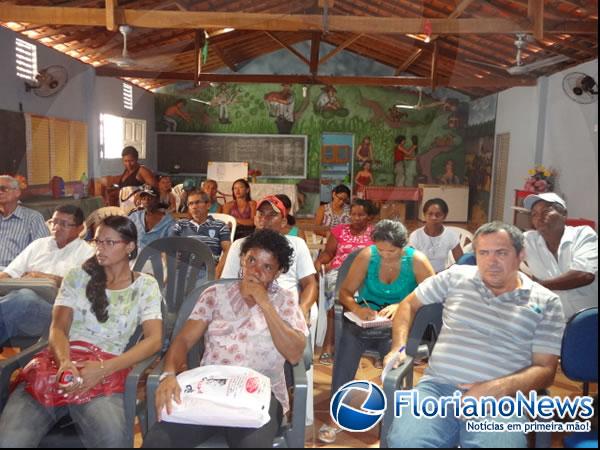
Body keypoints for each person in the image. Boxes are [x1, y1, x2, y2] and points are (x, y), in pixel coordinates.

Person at [384, 221, 565, 448]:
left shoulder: (546, 302)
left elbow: (546, 370)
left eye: (501, 253)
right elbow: (408, 304)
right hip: (438, 389)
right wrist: (398, 346)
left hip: (502, 400)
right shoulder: (456, 276)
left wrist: (498, 388)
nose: (492, 261)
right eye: (483, 253)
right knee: (405, 443)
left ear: (521, 255)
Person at [0, 216, 163, 448]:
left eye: (109, 242)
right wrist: (64, 361)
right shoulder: (77, 277)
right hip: (57, 367)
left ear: (130, 246)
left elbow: (155, 340)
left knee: (113, 441)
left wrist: (103, 369)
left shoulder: (144, 285)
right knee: (8, 441)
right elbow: (58, 327)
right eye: (97, 241)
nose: (100, 248)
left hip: (104, 372)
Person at [142, 229, 308, 448]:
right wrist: (170, 373)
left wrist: (265, 303)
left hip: (258, 394)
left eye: (267, 267)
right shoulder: (214, 294)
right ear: (242, 259)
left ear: (278, 273)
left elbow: (295, 353)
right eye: (251, 260)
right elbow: (183, 340)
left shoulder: (285, 301)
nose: (256, 271)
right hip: (209, 390)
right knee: (159, 441)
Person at [318, 220, 435, 444]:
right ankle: (337, 414)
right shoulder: (366, 256)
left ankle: (393, 415)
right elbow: (345, 292)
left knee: (393, 360)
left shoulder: (417, 261)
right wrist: (357, 309)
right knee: (347, 346)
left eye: (391, 251)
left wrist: (403, 305)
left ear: (404, 247)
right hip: (367, 318)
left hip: (399, 324)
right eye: (380, 250)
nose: (385, 256)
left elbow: (433, 294)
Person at [0, 205, 94, 345]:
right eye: (54, 222)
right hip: (20, 309)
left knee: (25, 297)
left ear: (80, 229)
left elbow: (85, 288)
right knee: (20, 301)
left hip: (59, 314)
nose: (56, 227)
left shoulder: (87, 253)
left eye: (64, 224)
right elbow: (8, 273)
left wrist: (44, 278)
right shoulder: (38, 245)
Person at [221, 195, 317, 322]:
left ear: (283, 222)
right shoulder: (239, 245)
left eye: (272, 215)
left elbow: (310, 284)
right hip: (245, 310)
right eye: (260, 214)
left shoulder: (297, 244)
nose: (264, 219)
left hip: (285, 312)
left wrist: (302, 310)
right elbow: (226, 285)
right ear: (254, 219)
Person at [313, 199, 378, 366]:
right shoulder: (339, 231)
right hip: (339, 272)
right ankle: (329, 345)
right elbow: (329, 253)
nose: (356, 218)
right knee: (335, 298)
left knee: (369, 297)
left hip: (366, 274)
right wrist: (320, 261)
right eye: (353, 214)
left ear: (369, 217)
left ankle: (366, 344)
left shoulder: (375, 233)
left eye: (361, 215)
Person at [522, 192, 597, 321]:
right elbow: (502, 249)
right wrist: (521, 270)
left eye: (545, 211)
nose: (539, 218)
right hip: (553, 323)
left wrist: (536, 285)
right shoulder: (529, 240)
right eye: (534, 214)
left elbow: (584, 275)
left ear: (564, 214)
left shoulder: (583, 234)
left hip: (590, 321)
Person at [169, 189, 231, 278]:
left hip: (206, 272)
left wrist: (217, 272)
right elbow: (169, 247)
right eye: (190, 204)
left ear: (208, 205)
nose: (194, 207)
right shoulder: (180, 225)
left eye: (197, 202)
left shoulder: (220, 225)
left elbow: (228, 250)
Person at [0, 175, 49, 269]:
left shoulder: (33, 218)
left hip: (13, 274)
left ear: (17, 192)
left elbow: (43, 253)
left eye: (3, 189)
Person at [409, 198, 464, 273]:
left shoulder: (450, 235)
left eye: (438, 215)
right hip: (421, 276)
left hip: (443, 276)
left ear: (444, 216)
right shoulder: (416, 236)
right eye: (430, 214)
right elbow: (410, 263)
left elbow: (461, 261)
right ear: (424, 215)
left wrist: (447, 272)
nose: (434, 218)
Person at [128, 185, 175, 251]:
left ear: (157, 200)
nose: (146, 201)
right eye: (144, 199)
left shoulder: (169, 221)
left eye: (150, 198)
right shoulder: (135, 216)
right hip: (136, 257)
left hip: (157, 258)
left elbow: (172, 244)